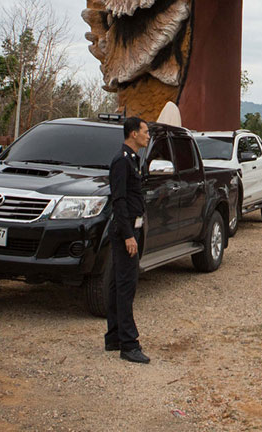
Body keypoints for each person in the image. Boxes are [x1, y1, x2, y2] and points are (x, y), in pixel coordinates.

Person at [105, 116, 150, 364]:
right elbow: (119, 201)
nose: (147, 135)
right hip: (126, 230)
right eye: (145, 131)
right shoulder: (121, 162)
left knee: (116, 284)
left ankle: (114, 336)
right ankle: (129, 344)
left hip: (132, 228)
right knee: (126, 286)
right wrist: (128, 235)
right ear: (133, 133)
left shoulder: (134, 160)